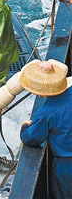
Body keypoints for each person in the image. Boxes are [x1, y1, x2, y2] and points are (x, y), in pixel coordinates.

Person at [19, 60, 72, 199]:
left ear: (40, 93)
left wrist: (24, 127)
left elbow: (31, 138)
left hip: (67, 164)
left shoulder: (46, 113)